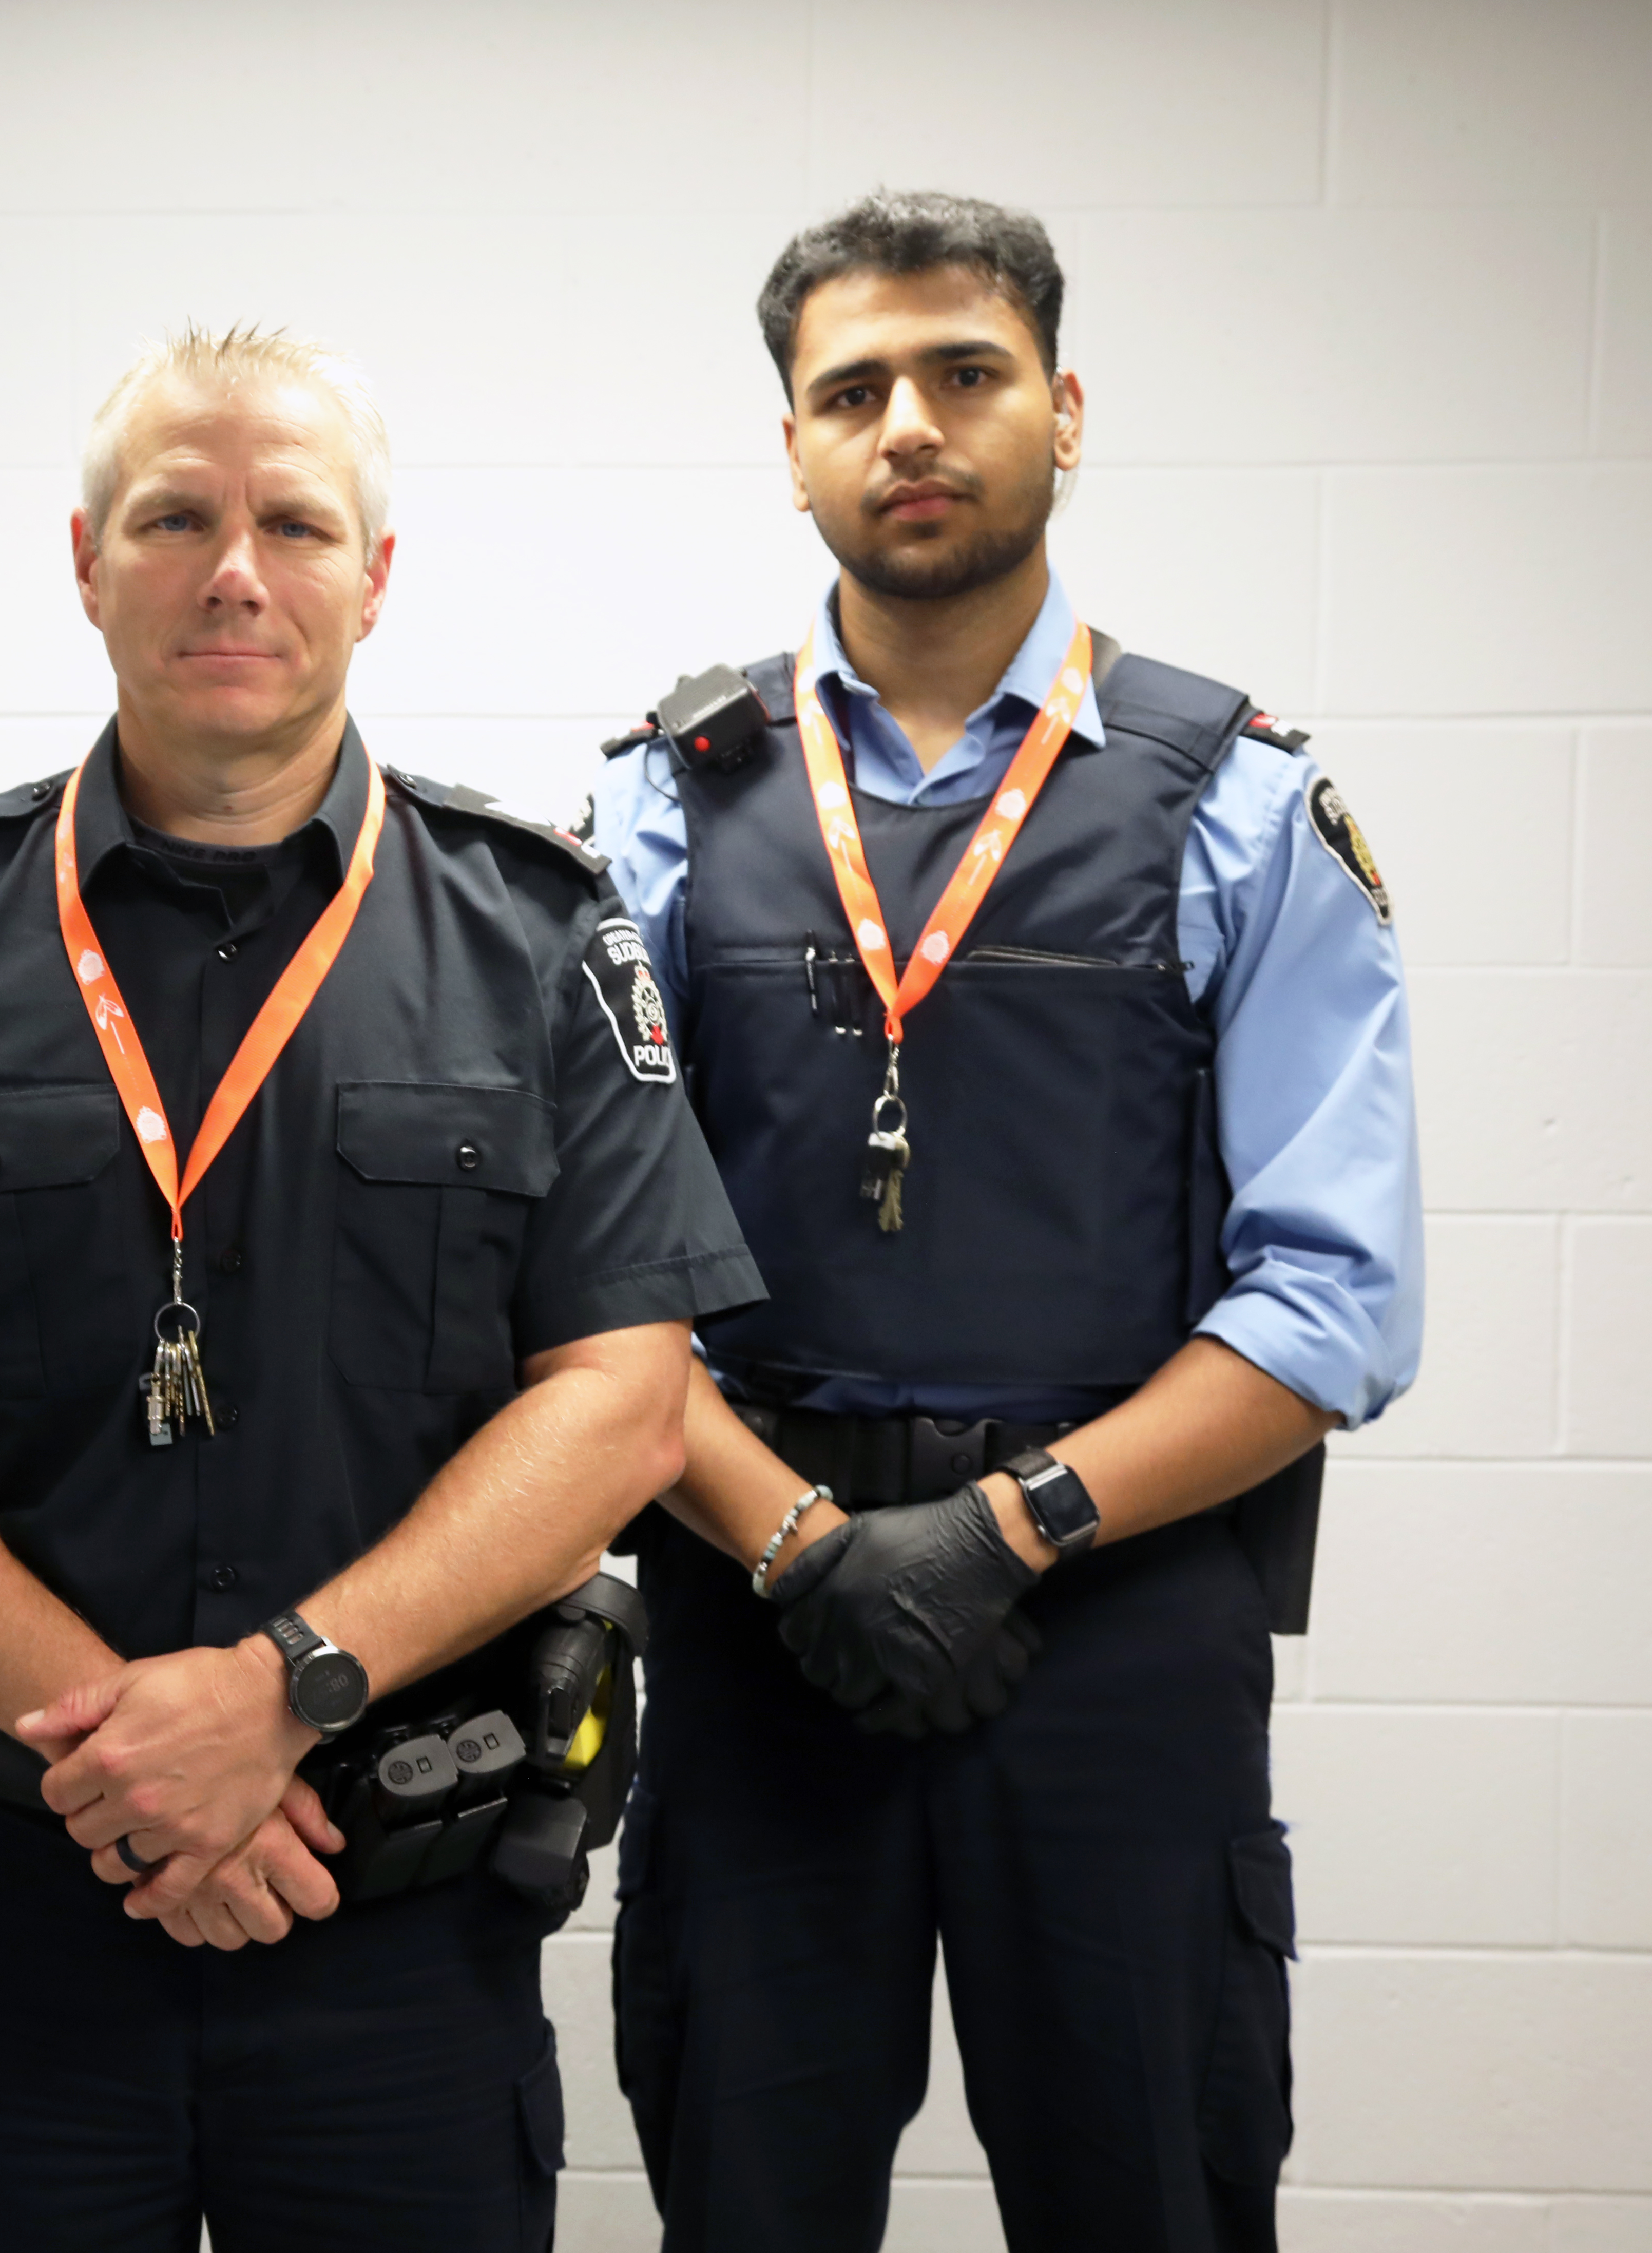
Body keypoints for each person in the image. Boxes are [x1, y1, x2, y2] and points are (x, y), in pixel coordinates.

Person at [0, 325, 761, 2252]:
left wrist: (281, 1691)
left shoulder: (533, 930)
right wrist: (135, 1755)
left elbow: (620, 1392)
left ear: (375, 573)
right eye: (174, 518)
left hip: (393, 1909)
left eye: (290, 522)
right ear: (84, 560)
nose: (232, 569)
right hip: (14, 1905)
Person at [586, 194, 1424, 2251]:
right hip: (762, 1602)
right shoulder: (661, 803)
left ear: (1059, 409)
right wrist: (801, 1545)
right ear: (788, 447)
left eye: (961, 374)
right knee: (744, 2200)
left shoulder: (1232, 796)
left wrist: (998, 1528)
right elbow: (590, 1287)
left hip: (1117, 1612)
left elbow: (1330, 1302)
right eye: (847, 388)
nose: (907, 425)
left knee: (1148, 2188)